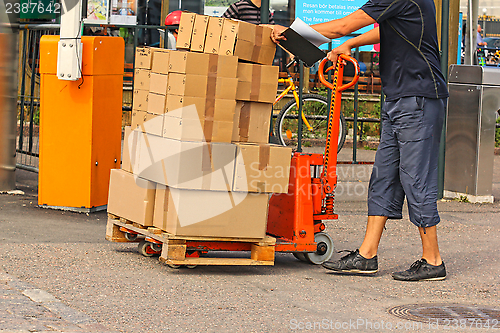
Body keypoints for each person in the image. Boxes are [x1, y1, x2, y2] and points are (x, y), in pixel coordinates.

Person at [271, 0, 449, 281]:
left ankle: (433, 259)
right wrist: (352, 45)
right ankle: (367, 255)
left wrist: (292, 34)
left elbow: (342, 26)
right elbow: (389, 30)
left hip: (419, 98)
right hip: (399, 97)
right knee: (384, 177)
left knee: (416, 179)